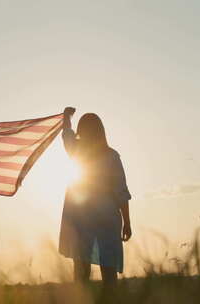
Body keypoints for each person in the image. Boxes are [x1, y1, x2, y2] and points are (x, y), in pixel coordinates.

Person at [58, 107, 132, 289]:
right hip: (107, 216)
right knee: (109, 266)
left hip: (81, 217)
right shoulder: (112, 156)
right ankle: (110, 299)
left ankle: (83, 299)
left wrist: (66, 116)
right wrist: (127, 222)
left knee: (81, 267)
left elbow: (67, 133)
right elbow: (121, 192)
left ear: (81, 132)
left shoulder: (76, 151)